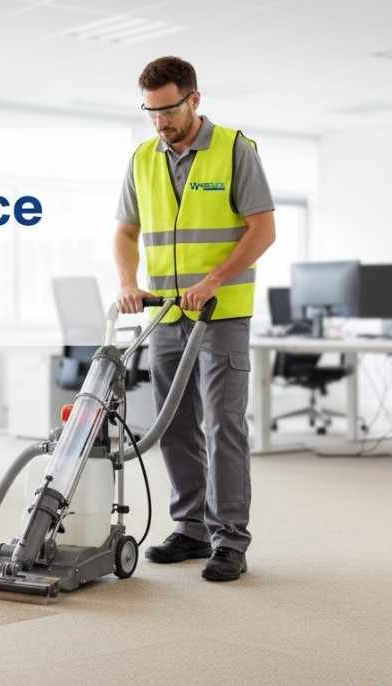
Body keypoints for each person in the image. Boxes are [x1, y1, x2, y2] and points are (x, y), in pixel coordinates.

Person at [113, 56, 276, 582]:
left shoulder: (234, 150)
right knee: (174, 424)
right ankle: (190, 528)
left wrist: (214, 280)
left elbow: (262, 230)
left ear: (194, 100)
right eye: (151, 111)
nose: (160, 121)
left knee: (223, 424)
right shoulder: (142, 158)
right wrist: (126, 282)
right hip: (164, 315)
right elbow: (125, 231)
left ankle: (229, 539)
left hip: (220, 315)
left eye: (168, 109)